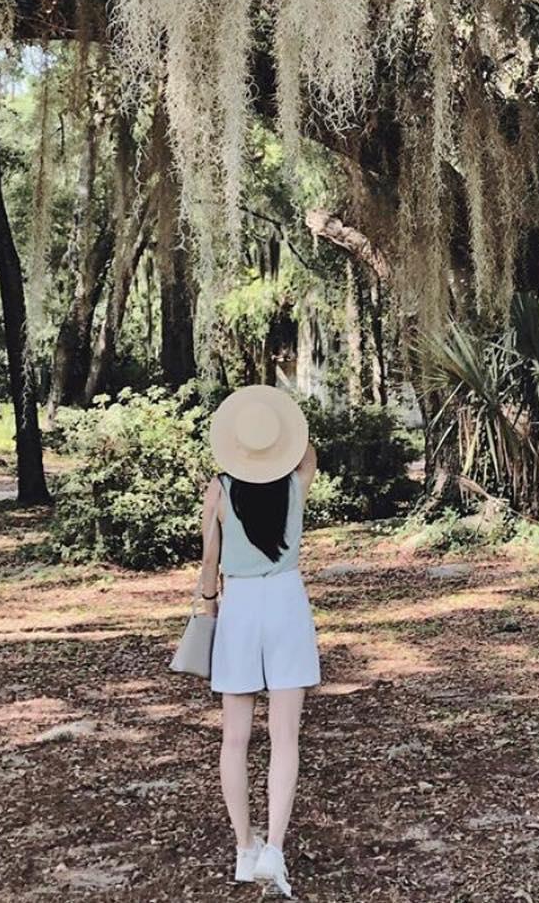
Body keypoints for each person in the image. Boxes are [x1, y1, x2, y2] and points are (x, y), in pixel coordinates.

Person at [193, 384, 320, 898]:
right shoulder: (295, 483)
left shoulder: (219, 489)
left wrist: (207, 602)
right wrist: (281, 422)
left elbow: (209, 559)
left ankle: (246, 847)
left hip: (241, 606)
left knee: (235, 739)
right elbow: (308, 449)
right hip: (286, 601)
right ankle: (275, 850)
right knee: (285, 739)